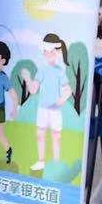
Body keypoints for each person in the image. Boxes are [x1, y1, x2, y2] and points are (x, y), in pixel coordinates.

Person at [26, 34, 73, 173]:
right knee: (40, 135)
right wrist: (28, 79)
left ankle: (56, 163)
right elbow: (34, 89)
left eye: (52, 52)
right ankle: (41, 161)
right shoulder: (42, 70)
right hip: (43, 109)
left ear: (57, 52)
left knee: (56, 136)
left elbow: (68, 89)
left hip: (55, 110)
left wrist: (61, 100)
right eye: (46, 52)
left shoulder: (60, 72)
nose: (49, 55)